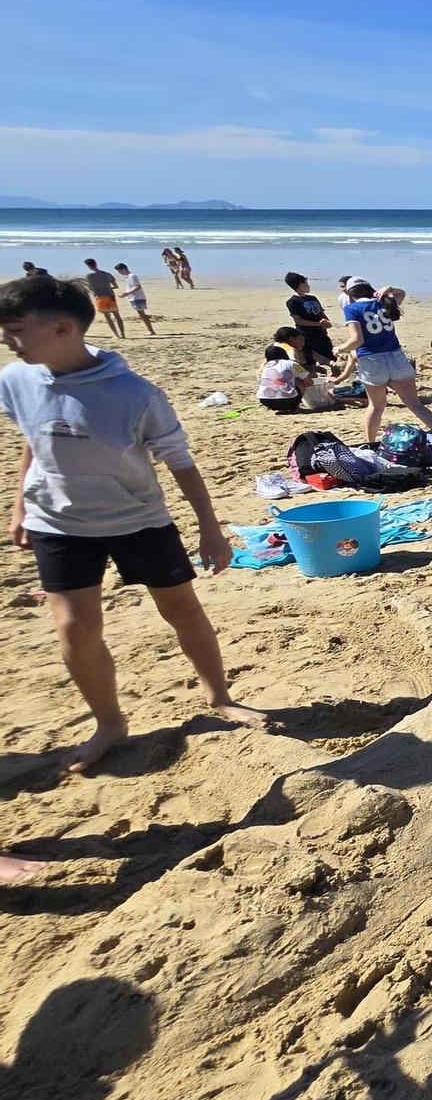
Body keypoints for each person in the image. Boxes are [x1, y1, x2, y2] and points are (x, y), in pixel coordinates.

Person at [0, 273, 270, 772]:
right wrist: (21, 506)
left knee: (182, 611)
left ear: (62, 327)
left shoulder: (135, 393)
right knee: (77, 630)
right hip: (58, 522)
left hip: (138, 520)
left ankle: (219, 696)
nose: (6, 339)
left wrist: (210, 529)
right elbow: (32, 443)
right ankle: (109, 722)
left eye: (15, 329)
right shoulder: (16, 380)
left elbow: (180, 462)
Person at [343, 279, 432, 445]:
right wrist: (389, 288)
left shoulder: (352, 309)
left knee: (376, 406)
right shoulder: (383, 302)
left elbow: (357, 340)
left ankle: (370, 442)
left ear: (351, 294)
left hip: (371, 359)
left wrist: (340, 349)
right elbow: (401, 294)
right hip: (395, 357)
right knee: (415, 404)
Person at [285, 272, 337, 368]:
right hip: (307, 336)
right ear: (301, 285)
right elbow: (298, 321)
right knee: (310, 361)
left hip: (321, 334)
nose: (308, 286)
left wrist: (327, 322)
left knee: (330, 357)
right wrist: (318, 324)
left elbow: (322, 314)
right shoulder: (293, 302)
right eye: (306, 283)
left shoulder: (312, 298)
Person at [82, 259, 124, 339]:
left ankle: (116, 335)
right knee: (117, 316)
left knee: (108, 318)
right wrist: (108, 287)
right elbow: (116, 286)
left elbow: (89, 288)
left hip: (100, 297)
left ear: (88, 266)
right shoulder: (107, 274)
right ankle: (123, 334)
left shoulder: (89, 276)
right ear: (96, 264)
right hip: (110, 296)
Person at [257, 344, 303, 412]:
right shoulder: (292, 363)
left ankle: (278, 408)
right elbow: (308, 381)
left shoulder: (265, 366)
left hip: (265, 400)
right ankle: (294, 407)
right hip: (289, 399)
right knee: (299, 380)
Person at [114, 264, 156, 335]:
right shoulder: (128, 277)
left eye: (119, 271)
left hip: (138, 297)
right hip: (134, 297)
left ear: (124, 269)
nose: (119, 273)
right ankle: (150, 330)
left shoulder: (132, 276)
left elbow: (138, 287)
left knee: (142, 315)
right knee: (141, 314)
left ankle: (151, 330)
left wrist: (127, 293)